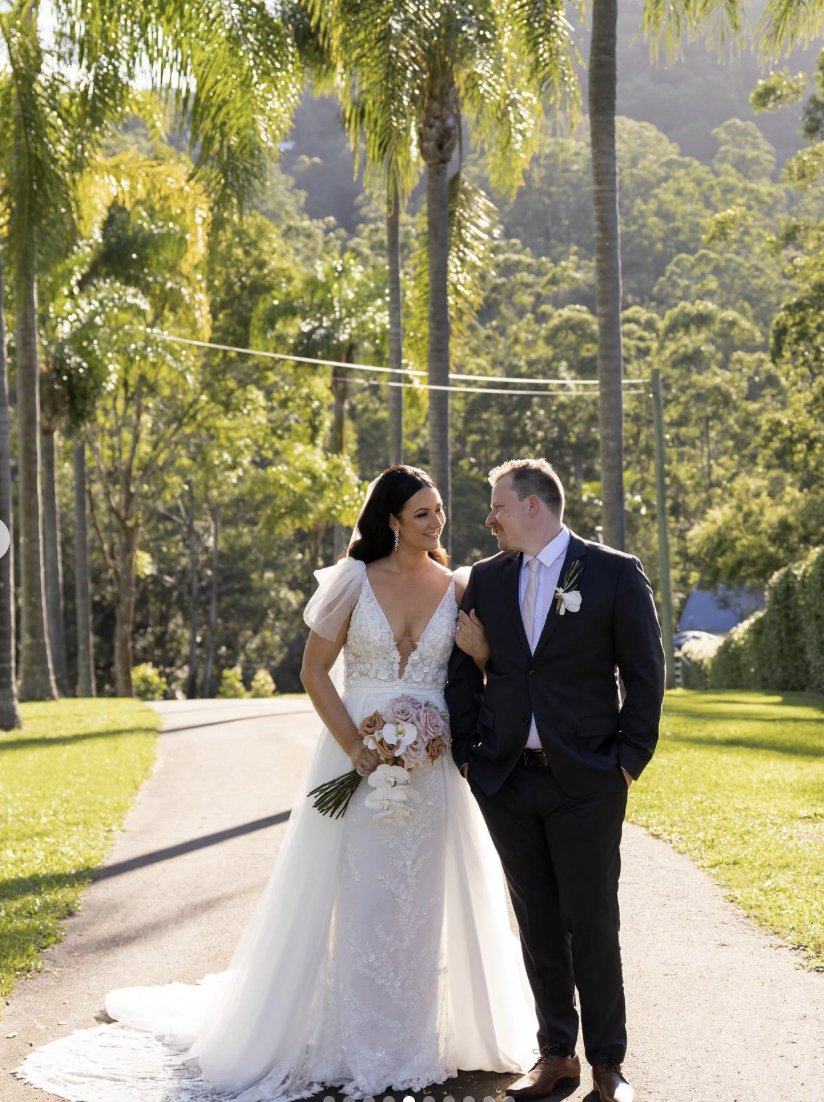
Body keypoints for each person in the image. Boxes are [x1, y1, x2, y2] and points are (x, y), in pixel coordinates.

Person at [17, 464, 534, 1102]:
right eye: (423, 513)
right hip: (355, 757)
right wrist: (356, 746)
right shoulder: (353, 581)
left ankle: (418, 1038)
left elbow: (477, 675)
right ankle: (355, 1039)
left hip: (431, 763)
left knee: (423, 899)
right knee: (361, 894)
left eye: (439, 511)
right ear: (392, 520)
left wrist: (478, 660)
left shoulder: (459, 587)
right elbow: (314, 672)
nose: (437, 522)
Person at [446, 458, 665, 1102]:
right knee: (536, 920)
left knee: (592, 921)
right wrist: (468, 753)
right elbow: (462, 672)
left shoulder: (614, 574)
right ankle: (556, 1056)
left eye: (498, 507)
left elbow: (645, 675)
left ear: (534, 506)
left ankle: (608, 1065)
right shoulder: (484, 579)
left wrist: (627, 760)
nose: (490, 519)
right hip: (509, 779)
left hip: (588, 779)